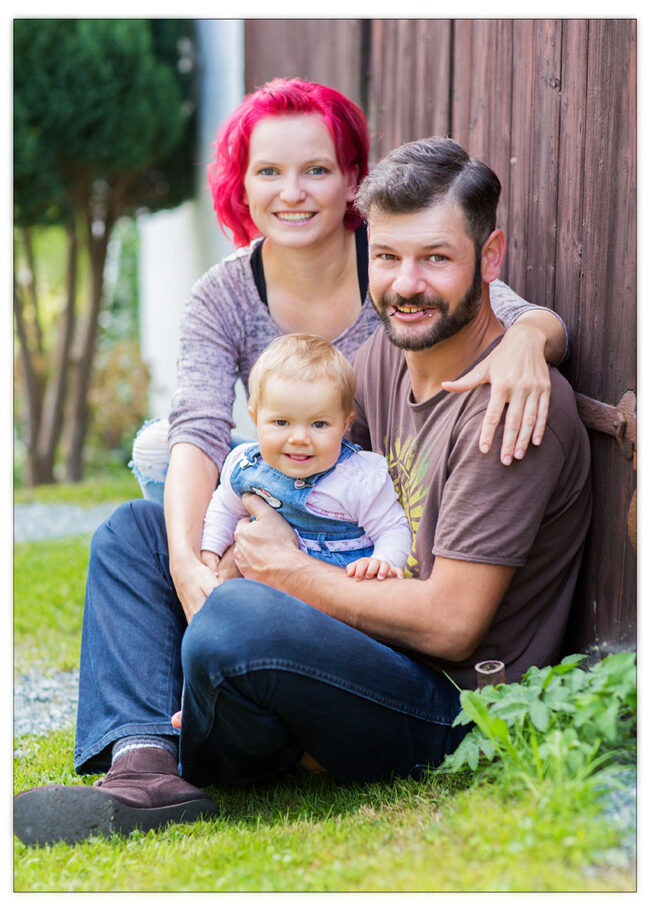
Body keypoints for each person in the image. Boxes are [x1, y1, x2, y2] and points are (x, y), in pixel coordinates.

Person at [13, 100, 572, 847]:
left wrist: (283, 574)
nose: (407, 282)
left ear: (489, 259)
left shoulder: (510, 407)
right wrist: (218, 550)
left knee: (242, 620)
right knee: (135, 531)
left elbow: (451, 623)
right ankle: (146, 763)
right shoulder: (384, 359)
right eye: (388, 256)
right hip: (361, 635)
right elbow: (290, 476)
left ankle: (234, 727)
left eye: (436, 258)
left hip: (446, 703)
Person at [128, 77, 569, 628]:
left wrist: (530, 337)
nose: (292, 193)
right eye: (269, 172)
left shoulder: (394, 265)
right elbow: (199, 427)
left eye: (316, 169)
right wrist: (188, 561)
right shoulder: (224, 294)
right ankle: (176, 665)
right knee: (151, 472)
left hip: (358, 483)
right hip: (279, 461)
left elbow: (505, 308)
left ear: (351, 180)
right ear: (242, 185)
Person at [201, 333, 411, 580]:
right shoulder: (245, 466)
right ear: (255, 418)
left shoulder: (357, 479)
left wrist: (382, 561)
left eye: (319, 424)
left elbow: (393, 528)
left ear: (345, 424)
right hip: (270, 588)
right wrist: (211, 549)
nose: (300, 438)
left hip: (339, 595)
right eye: (281, 422)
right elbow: (226, 507)